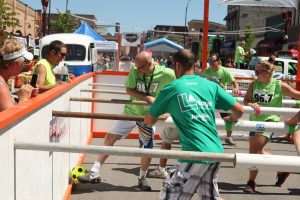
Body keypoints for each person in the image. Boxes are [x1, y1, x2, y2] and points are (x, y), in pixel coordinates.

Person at [144, 49, 244, 200]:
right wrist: (231, 119)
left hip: (195, 152)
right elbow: (240, 110)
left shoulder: (172, 87)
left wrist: (167, 111)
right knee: (209, 197)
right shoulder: (210, 85)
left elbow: (149, 120)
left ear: (177, 65)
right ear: (194, 65)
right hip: (216, 150)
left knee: (171, 196)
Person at [78, 51, 176, 191]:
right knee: (110, 137)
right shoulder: (135, 71)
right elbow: (129, 90)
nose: (137, 70)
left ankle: (142, 178)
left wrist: (167, 108)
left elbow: (175, 91)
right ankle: (94, 171)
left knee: (146, 148)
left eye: (140, 68)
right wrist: (146, 97)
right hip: (131, 112)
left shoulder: (168, 74)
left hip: (149, 117)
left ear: (150, 64)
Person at [243, 60, 300, 193]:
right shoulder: (253, 83)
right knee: (257, 150)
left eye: (258, 71)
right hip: (254, 121)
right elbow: (246, 99)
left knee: (253, 151)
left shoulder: (279, 85)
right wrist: (251, 103)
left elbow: (297, 95)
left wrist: (295, 117)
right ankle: (282, 168)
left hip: (270, 120)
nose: (256, 74)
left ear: (269, 72)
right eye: (254, 71)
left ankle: (251, 182)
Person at [204, 53, 240, 145]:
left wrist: (236, 88)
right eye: (209, 61)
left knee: (230, 117)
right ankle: (207, 136)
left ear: (219, 61)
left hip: (221, 97)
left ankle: (228, 137)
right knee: (205, 117)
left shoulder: (224, 71)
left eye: (212, 61)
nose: (210, 63)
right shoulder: (207, 72)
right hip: (209, 98)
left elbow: (234, 82)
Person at [0, 39, 38, 112]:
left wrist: (29, 94)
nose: (25, 65)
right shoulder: (1, 85)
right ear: (16, 64)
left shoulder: (3, 80)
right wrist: (23, 98)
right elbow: (10, 116)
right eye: (25, 61)